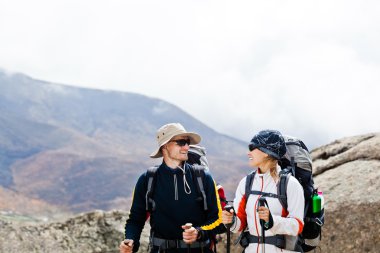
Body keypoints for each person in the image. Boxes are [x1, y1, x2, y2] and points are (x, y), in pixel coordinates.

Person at [120, 123, 222, 253]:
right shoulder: (147, 179)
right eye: (181, 142)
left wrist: (199, 232)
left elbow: (218, 219)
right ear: (164, 146)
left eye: (187, 142)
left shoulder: (203, 177)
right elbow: (135, 219)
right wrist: (131, 241)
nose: (187, 147)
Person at [221, 130, 304, 253]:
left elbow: (297, 225)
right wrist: (231, 220)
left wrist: (272, 221)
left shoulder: (290, 184)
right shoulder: (246, 183)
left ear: (266, 152)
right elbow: (240, 225)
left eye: (252, 147)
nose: (248, 152)